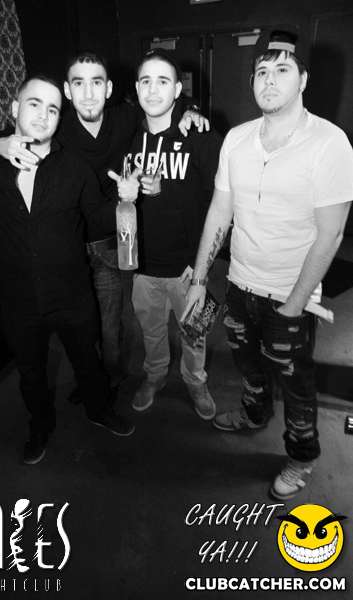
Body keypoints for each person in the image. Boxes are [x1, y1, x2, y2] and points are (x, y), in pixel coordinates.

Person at [0, 52, 208, 422]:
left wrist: (191, 109)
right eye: (79, 84)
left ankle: (110, 381)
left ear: (110, 88)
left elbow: (161, 100)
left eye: (96, 83)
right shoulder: (56, 123)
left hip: (111, 239)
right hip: (67, 245)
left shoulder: (126, 118)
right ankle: (98, 379)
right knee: (90, 327)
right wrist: (0, 143)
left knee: (113, 324)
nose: (88, 94)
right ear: (68, 91)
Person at [182, 25, 353, 499]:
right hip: (240, 286)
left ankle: (302, 457)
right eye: (261, 71)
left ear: (303, 80)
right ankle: (255, 413)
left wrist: (295, 305)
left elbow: (331, 234)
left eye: (282, 70)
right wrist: (200, 279)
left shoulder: (329, 143)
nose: (269, 80)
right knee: (247, 364)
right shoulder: (237, 139)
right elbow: (220, 211)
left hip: (290, 294)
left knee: (295, 383)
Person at [0, 76, 140, 465]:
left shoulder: (73, 167)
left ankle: (98, 409)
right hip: (19, 301)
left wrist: (124, 199)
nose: (43, 115)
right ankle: (41, 425)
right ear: (15, 108)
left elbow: (98, 217)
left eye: (53, 109)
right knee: (31, 375)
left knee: (88, 362)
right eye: (34, 104)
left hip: (73, 296)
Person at [127, 49, 222, 418]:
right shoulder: (126, 135)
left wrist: (202, 267)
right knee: (150, 333)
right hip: (142, 267)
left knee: (195, 334)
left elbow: (220, 206)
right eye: (146, 81)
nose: (153, 90)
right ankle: (154, 375)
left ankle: (196, 381)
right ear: (136, 87)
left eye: (163, 81)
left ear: (178, 89)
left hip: (188, 268)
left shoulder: (199, 135)